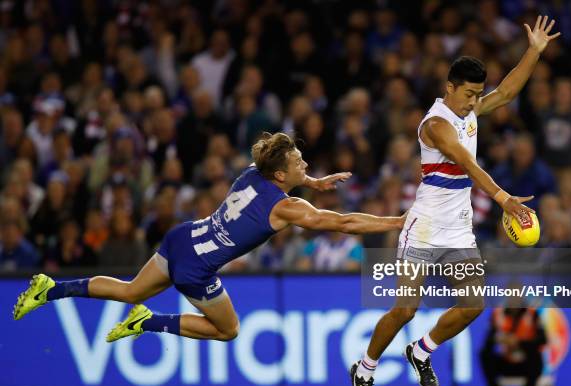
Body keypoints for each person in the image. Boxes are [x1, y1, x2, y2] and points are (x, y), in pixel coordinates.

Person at [13, 132, 405, 345]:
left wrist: (312, 181)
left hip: (184, 238)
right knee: (229, 331)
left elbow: (275, 167)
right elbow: (344, 224)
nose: (305, 163)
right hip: (197, 268)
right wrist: (397, 222)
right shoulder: (285, 208)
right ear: (281, 176)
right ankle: (148, 324)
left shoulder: (253, 172)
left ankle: (50, 289)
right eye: (298, 163)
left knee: (131, 290)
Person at [351, 16, 560, 386]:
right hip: (426, 226)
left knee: (473, 305)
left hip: (458, 228)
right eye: (467, 93)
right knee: (405, 309)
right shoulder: (436, 124)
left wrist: (533, 52)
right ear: (450, 88)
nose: (473, 100)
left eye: (478, 93)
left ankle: (421, 351)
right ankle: (365, 368)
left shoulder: (470, 112)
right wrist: (504, 199)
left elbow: (509, 92)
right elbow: (466, 162)